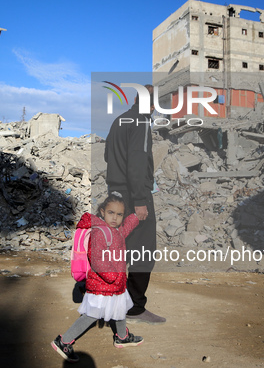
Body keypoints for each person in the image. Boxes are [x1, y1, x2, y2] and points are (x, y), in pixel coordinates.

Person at [52, 193, 142, 363]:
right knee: (91, 315)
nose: (115, 217)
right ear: (102, 211)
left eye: (119, 214)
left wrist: (136, 217)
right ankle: (63, 341)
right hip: (103, 284)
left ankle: (122, 337)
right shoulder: (99, 232)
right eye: (111, 212)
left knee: (120, 308)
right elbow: (98, 260)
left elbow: (126, 228)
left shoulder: (115, 231)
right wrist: (113, 276)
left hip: (115, 284)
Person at [104, 84, 166, 324]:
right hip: (133, 197)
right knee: (143, 252)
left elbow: (109, 156)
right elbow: (138, 164)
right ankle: (134, 308)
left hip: (115, 195)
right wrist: (140, 200)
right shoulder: (140, 123)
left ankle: (111, 300)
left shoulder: (119, 121)